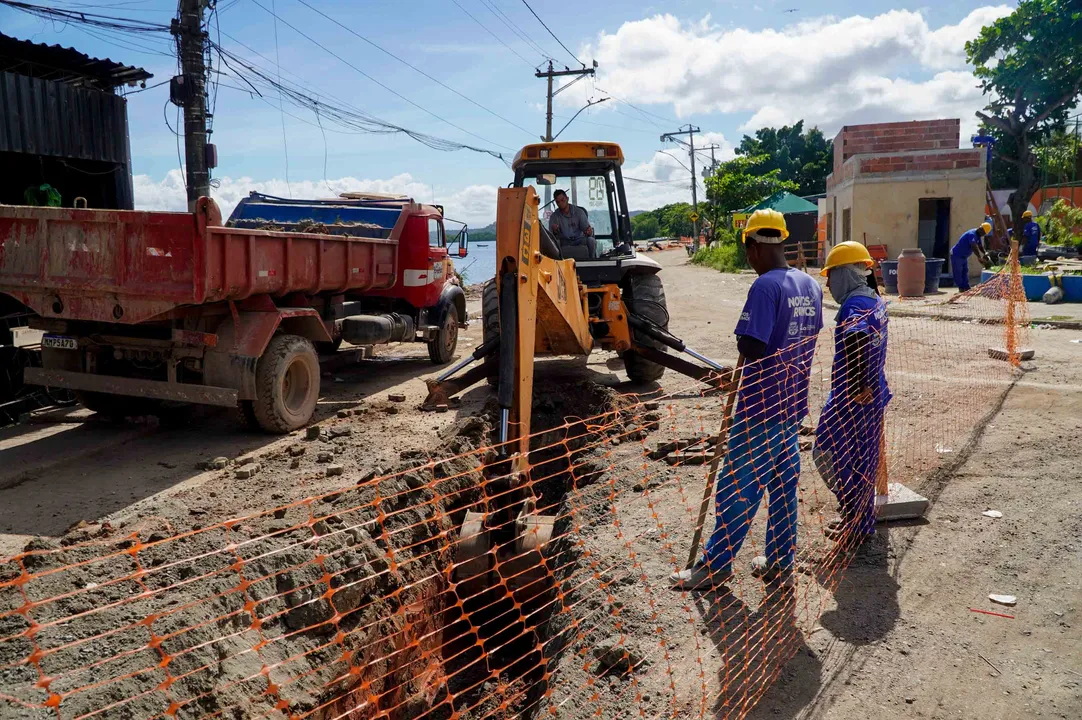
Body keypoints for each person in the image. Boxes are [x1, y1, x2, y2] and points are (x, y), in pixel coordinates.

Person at [671, 209, 823, 589]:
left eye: (747, 251)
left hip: (760, 408)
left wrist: (742, 339)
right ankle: (779, 562)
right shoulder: (810, 285)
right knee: (783, 487)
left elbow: (752, 345)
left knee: (738, 487)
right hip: (791, 405)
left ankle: (715, 565)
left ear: (753, 246)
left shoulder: (765, 287)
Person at [812, 242, 891, 547]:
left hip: (853, 398)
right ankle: (856, 520)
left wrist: (858, 385)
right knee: (862, 460)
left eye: (831, 276)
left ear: (845, 273)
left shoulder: (855, 306)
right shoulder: (873, 299)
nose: (829, 284)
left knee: (833, 453)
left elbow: (857, 337)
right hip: (870, 395)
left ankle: (856, 525)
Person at [549, 189, 596, 258]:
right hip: (564, 242)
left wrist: (589, 232)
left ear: (567, 199)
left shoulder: (579, 212)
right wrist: (555, 231)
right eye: (558, 202)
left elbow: (587, 230)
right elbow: (552, 236)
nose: (561, 203)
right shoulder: (554, 216)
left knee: (591, 241)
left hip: (579, 240)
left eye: (562, 200)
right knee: (555, 244)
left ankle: (591, 262)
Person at [950, 222, 991, 292]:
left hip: (963, 256)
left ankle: (966, 287)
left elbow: (980, 246)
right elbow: (973, 246)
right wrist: (979, 257)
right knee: (958, 272)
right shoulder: (972, 234)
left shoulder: (978, 236)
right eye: (984, 233)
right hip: (956, 255)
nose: (983, 235)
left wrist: (985, 253)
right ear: (981, 229)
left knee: (965, 271)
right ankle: (961, 288)